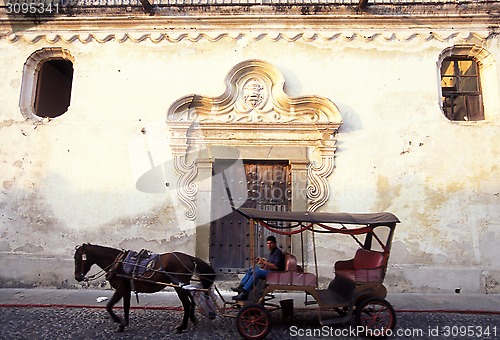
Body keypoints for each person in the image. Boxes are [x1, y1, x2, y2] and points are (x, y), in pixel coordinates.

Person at [232, 235, 285, 300]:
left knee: (257, 272)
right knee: (252, 269)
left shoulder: (278, 253)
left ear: (275, 243)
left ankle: (245, 292)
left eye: (271, 243)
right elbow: (269, 264)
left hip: (274, 274)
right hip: (270, 271)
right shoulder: (272, 252)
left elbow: (276, 267)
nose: (269, 245)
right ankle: (241, 287)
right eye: (268, 243)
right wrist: (262, 263)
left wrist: (264, 262)